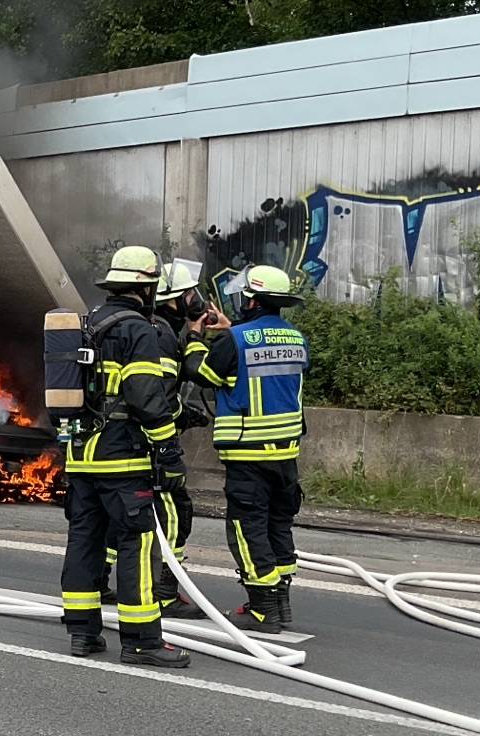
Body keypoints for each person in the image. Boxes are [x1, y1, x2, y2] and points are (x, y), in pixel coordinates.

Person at [48, 245, 189, 668]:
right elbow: (147, 397)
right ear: (146, 290)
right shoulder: (138, 330)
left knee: (84, 542)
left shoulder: (88, 325)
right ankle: (143, 641)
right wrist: (168, 450)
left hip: (80, 456)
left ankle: (83, 634)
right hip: (122, 460)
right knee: (138, 544)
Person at [183, 265, 308, 633]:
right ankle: (281, 605)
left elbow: (200, 372)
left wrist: (195, 334)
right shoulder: (296, 338)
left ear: (250, 299)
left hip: (248, 454)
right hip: (285, 455)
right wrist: (227, 331)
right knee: (277, 526)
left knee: (247, 527)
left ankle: (262, 609)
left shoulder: (235, 340)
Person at [145, 262, 211, 620]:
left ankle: (102, 583)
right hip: (156, 442)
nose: (195, 300)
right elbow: (162, 398)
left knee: (121, 516)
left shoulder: (156, 329)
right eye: (189, 294)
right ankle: (165, 593)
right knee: (174, 513)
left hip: (129, 440)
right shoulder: (162, 335)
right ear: (172, 300)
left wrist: (196, 334)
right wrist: (184, 417)